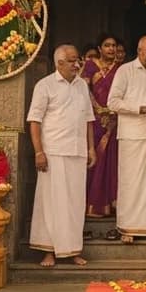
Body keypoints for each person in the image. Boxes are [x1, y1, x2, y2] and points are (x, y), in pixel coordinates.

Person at [28, 45, 97, 267]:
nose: (77, 65)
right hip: (53, 152)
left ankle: (72, 250)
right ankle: (49, 251)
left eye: (78, 61)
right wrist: (39, 152)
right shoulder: (45, 85)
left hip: (76, 152)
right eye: (72, 61)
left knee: (75, 203)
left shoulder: (82, 86)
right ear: (59, 63)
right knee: (50, 203)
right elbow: (34, 121)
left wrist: (91, 149)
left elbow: (88, 120)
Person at [107, 35, 146, 243]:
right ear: (140, 50)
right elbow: (112, 102)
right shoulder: (125, 71)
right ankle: (127, 228)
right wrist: (137, 109)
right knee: (130, 182)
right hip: (131, 134)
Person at [82, 34, 121, 218]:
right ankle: (92, 204)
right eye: (107, 45)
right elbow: (84, 89)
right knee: (95, 158)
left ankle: (109, 204)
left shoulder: (121, 69)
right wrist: (98, 108)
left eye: (113, 45)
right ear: (99, 48)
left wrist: (113, 111)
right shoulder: (90, 66)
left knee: (111, 160)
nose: (111, 49)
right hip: (95, 118)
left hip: (115, 119)